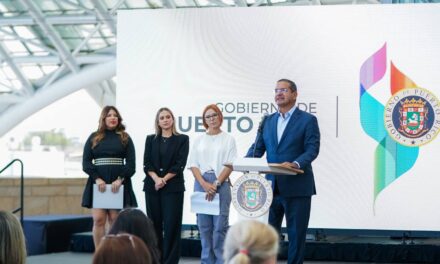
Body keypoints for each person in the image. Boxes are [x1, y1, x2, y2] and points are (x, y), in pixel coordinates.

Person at [246, 79, 320, 264]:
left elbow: (312, 149)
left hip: (297, 186)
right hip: (270, 186)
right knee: (268, 236)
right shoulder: (268, 120)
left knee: (296, 235)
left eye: (284, 90)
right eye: (276, 90)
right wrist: (243, 163)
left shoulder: (308, 120)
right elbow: (258, 147)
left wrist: (295, 164)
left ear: (294, 94)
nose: (279, 93)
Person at [82, 105, 138, 248]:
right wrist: (97, 178)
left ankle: (113, 255)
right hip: (98, 183)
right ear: (103, 118)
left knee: (114, 219)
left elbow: (131, 164)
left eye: (115, 115)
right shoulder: (94, 137)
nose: (113, 118)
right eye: (109, 115)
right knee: (99, 220)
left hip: (117, 184)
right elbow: (86, 162)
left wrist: (120, 179)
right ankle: (100, 255)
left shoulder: (125, 137)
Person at [189, 104, 237, 264]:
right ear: (204, 120)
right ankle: (206, 261)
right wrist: (203, 184)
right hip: (201, 183)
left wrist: (215, 184)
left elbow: (229, 164)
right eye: (208, 116)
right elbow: (193, 164)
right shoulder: (199, 140)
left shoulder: (228, 139)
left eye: (214, 115)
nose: (212, 118)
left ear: (220, 117)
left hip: (221, 184)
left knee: (219, 228)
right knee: (204, 227)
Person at [143, 107, 189, 264]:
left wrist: (164, 180)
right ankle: (155, 260)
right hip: (152, 188)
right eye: (162, 118)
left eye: (168, 117)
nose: (165, 120)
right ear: (158, 121)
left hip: (173, 188)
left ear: (173, 119)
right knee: (154, 226)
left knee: (171, 227)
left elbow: (179, 164)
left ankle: (170, 261)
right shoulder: (150, 139)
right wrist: (157, 179)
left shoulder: (182, 139)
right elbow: (146, 164)